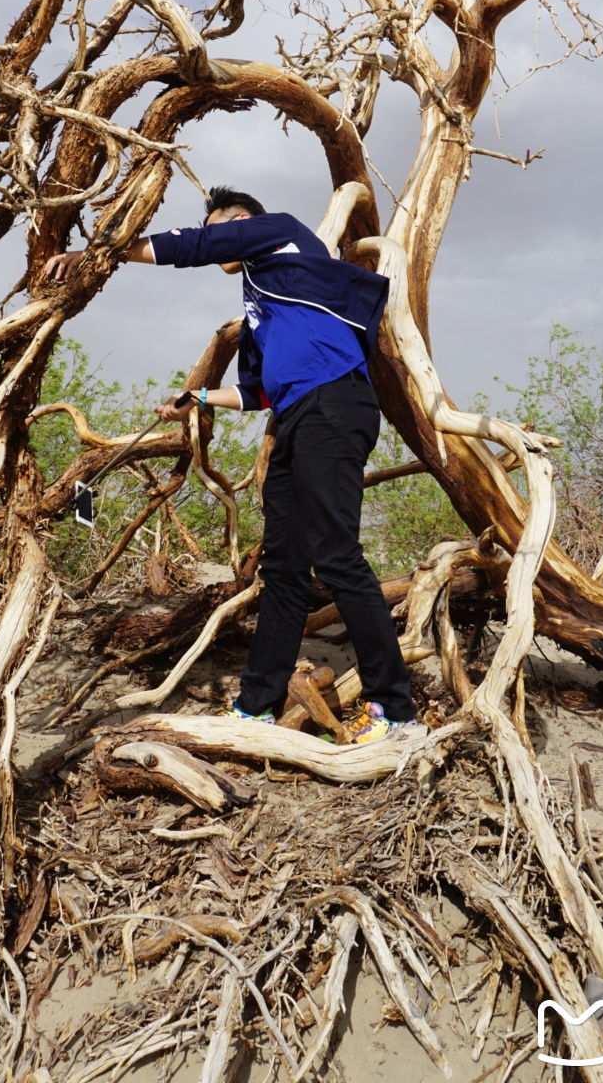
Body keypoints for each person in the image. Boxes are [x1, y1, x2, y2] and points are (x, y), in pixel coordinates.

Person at [45, 186, 416, 744]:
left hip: (335, 404)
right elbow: (258, 394)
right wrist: (195, 399)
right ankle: (257, 706)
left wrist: (102, 252)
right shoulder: (266, 301)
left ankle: (395, 709)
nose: (218, 243)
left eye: (221, 229)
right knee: (285, 571)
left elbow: (194, 245)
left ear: (240, 222)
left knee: (337, 556)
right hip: (296, 417)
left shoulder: (282, 232)